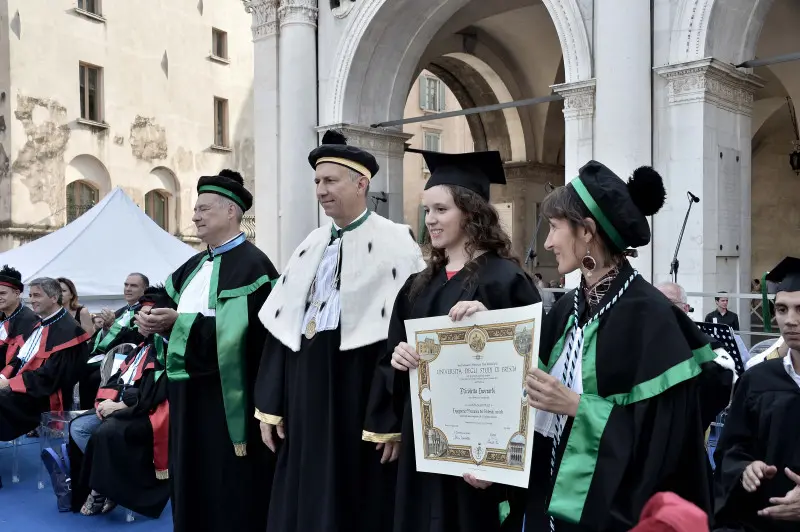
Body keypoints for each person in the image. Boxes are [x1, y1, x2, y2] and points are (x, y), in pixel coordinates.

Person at [506, 161, 717, 531]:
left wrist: (576, 406)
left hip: (610, 513)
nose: (548, 242)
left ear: (587, 232)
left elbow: (664, 444)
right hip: (548, 504)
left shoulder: (650, 318)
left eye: (555, 228)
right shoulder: (565, 313)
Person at [255, 130, 425, 532]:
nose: (320, 190)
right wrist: (271, 405)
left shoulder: (396, 242)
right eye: (317, 181)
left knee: (355, 497)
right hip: (302, 393)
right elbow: (282, 328)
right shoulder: (310, 243)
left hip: (358, 390)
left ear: (361, 183)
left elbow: (402, 338)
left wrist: (391, 419)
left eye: (330, 181)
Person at [375, 149, 541, 532]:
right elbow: (390, 361)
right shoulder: (417, 286)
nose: (430, 220)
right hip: (427, 446)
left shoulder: (505, 280)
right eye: (427, 210)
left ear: (470, 211)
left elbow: (531, 365)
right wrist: (399, 359)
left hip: (480, 455)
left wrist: (491, 326)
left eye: (441, 209)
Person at [135, 169, 279, 532]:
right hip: (186, 393)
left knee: (226, 485)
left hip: (228, 398)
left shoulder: (256, 268)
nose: (195, 216)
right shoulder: (193, 265)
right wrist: (150, 318)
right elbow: (160, 299)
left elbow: (246, 338)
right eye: (195, 209)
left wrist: (177, 325)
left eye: (203, 208)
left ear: (232, 212)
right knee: (190, 478)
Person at [69, 285, 173, 518]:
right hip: (125, 405)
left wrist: (121, 405)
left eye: (150, 316)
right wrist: (103, 403)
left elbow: (161, 388)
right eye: (141, 316)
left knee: (106, 434)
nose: (142, 322)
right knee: (78, 427)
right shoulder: (139, 347)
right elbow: (116, 379)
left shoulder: (169, 349)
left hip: (152, 411)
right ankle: (107, 481)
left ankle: (105, 488)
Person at [712, 257, 800, 531]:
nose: (790, 321)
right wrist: (744, 469)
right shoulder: (758, 380)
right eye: (782, 309)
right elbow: (730, 451)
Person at [0, 277, 90, 441]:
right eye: (31, 295)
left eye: (37, 296)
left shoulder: (70, 332)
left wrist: (10, 384)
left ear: (54, 298)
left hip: (44, 397)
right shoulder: (39, 325)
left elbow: (51, 377)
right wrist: (3, 377)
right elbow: (20, 359)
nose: (31, 300)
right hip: (25, 386)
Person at [78, 273, 148, 409]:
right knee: (80, 370)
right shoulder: (120, 311)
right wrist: (105, 329)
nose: (128, 289)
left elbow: (136, 338)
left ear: (145, 289)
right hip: (107, 357)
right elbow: (101, 340)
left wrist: (112, 325)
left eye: (133, 286)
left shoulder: (145, 311)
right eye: (126, 285)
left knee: (95, 378)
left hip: (128, 360)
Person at [0, 266, 39, 368]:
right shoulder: (2, 315)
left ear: (17, 293)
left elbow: (21, 359)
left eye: (2, 293)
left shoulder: (29, 319)